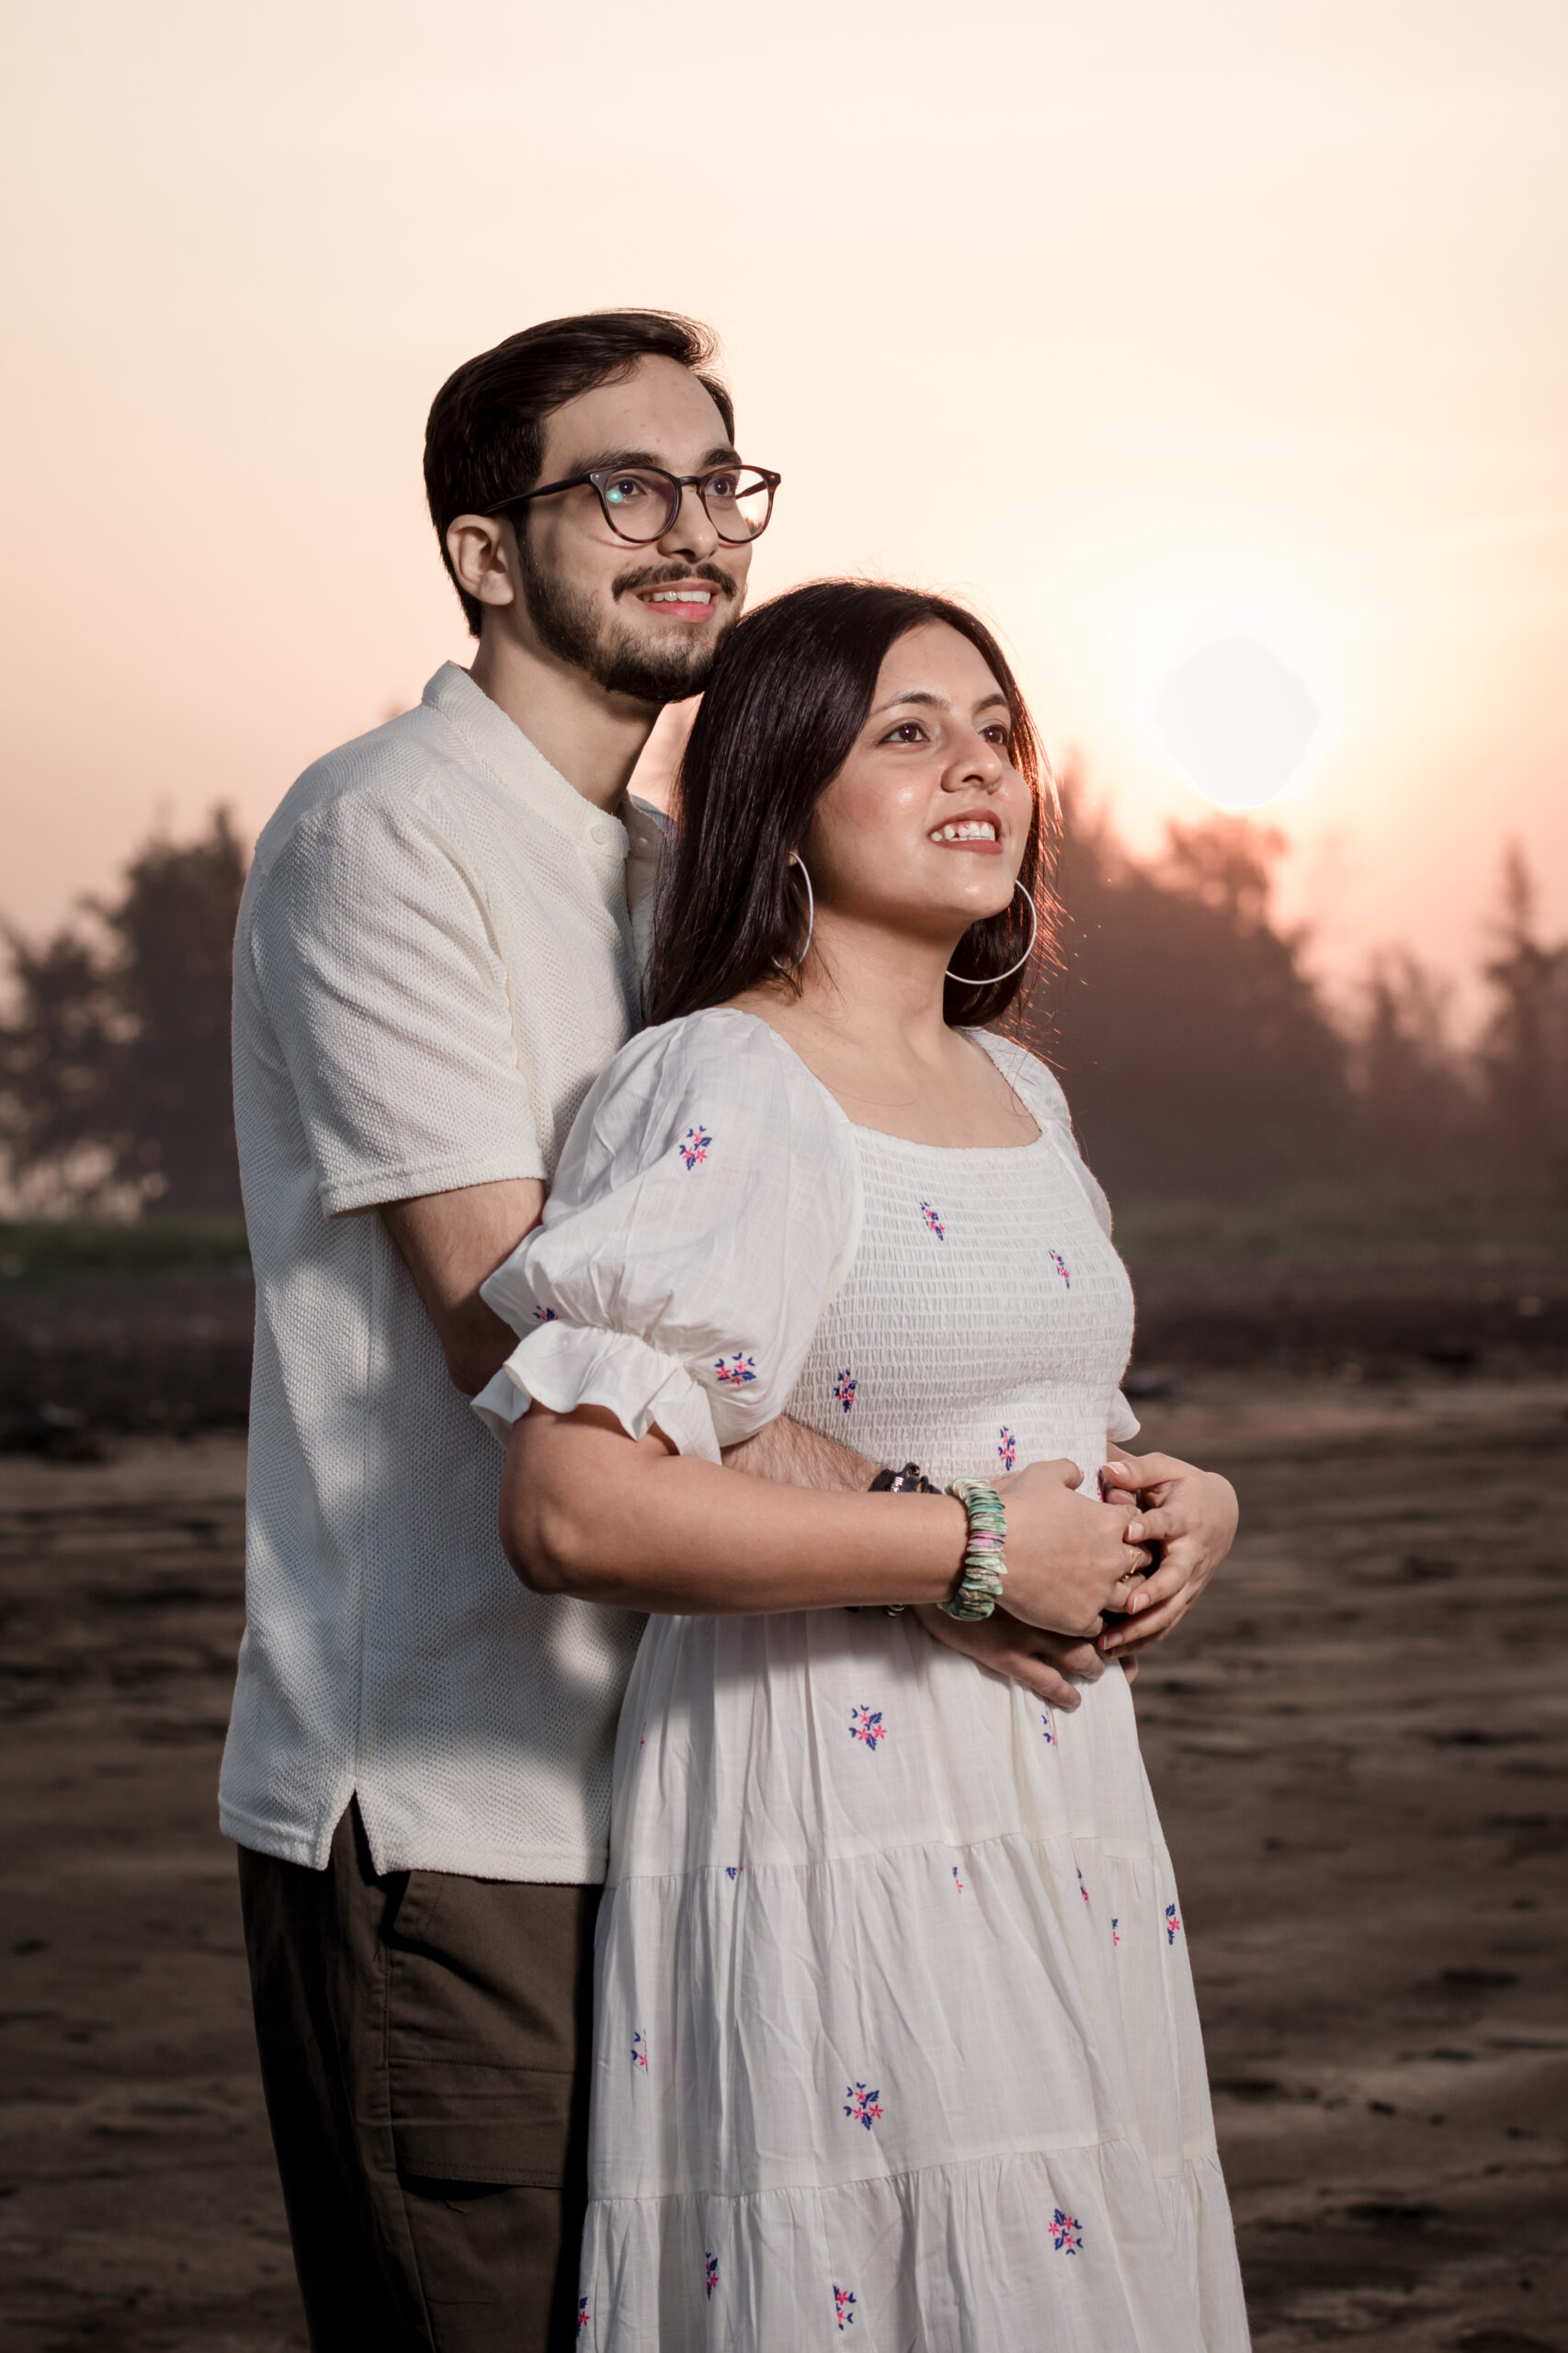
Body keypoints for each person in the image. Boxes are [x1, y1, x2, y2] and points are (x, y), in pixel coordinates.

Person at [477, 580, 1249, 2348]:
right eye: (907, 732)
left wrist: (1186, 1506)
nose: (977, 769)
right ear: (780, 795)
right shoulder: (729, 1082)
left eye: (996, 733)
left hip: (1059, 1806)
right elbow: (571, 1503)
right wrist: (972, 1552)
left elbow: (1040, 1432)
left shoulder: (1020, 1093)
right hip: (833, 1804)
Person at [221, 310, 786, 2353]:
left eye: (718, 483)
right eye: (625, 487)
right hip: (455, 1815)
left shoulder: (677, 876)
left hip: (692, 1788)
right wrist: (943, 1531)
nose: (693, 529)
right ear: (483, 551)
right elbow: (518, 1327)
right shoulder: (381, 832)